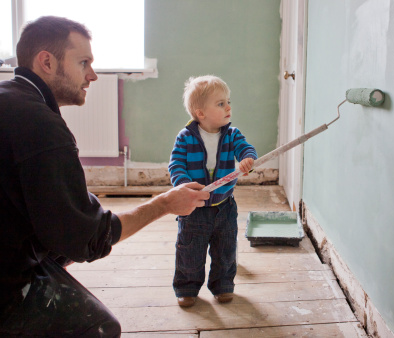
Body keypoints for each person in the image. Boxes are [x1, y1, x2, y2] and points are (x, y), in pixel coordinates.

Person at [0, 16, 209, 337]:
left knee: (58, 247)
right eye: (83, 62)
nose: (93, 75)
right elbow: (89, 238)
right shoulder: (41, 126)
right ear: (46, 61)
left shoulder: (9, 98)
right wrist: (166, 204)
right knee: (99, 328)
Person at [168, 75, 257, 307]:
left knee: (225, 250)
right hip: (194, 208)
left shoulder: (232, 135)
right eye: (220, 104)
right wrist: (185, 184)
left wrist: (247, 159)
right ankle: (187, 288)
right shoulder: (185, 138)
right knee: (190, 250)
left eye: (228, 101)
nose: (228, 107)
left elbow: (245, 148)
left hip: (224, 206)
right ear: (201, 113)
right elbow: (176, 165)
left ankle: (223, 285)